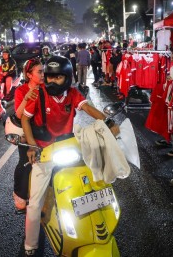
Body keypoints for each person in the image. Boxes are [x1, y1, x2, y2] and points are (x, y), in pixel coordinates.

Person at [21, 56, 119, 256]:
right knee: (35, 202)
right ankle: (30, 245)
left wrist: (108, 122)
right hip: (44, 151)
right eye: (49, 77)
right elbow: (25, 120)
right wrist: (31, 147)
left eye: (57, 78)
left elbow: (88, 108)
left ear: (67, 78)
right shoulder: (37, 94)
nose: (51, 81)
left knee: (92, 184)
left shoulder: (72, 94)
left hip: (69, 146)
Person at [11, 58, 43, 212]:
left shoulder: (46, 87)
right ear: (29, 75)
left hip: (44, 132)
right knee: (25, 162)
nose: (43, 75)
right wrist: (26, 98)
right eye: (40, 72)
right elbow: (18, 114)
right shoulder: (21, 90)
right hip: (26, 131)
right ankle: (20, 194)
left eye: (44, 71)